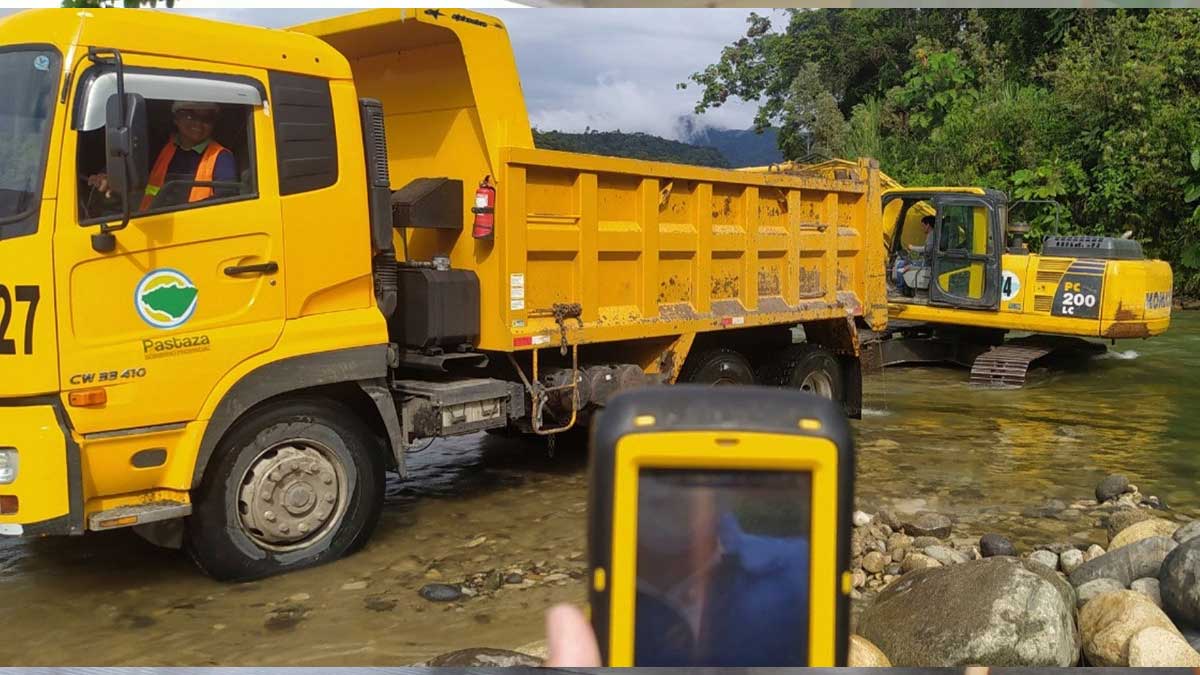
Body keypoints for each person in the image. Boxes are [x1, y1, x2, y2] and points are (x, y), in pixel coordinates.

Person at [549, 478, 810, 667]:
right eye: (653, 475)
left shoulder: (801, 570)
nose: (664, 492)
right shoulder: (610, 600)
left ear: (723, 493)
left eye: (682, 476)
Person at [86, 100, 237, 212]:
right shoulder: (161, 148)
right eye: (190, 116)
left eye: (206, 119)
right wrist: (108, 177)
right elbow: (128, 167)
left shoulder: (221, 157)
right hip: (152, 225)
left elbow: (226, 201)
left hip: (194, 233)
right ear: (176, 119)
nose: (198, 123)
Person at [893, 214, 936, 295]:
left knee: (900, 265)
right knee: (905, 261)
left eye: (923, 226)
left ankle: (899, 289)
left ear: (928, 225)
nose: (922, 228)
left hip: (926, 263)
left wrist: (913, 248)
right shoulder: (931, 234)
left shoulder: (932, 235)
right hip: (926, 260)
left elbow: (927, 249)